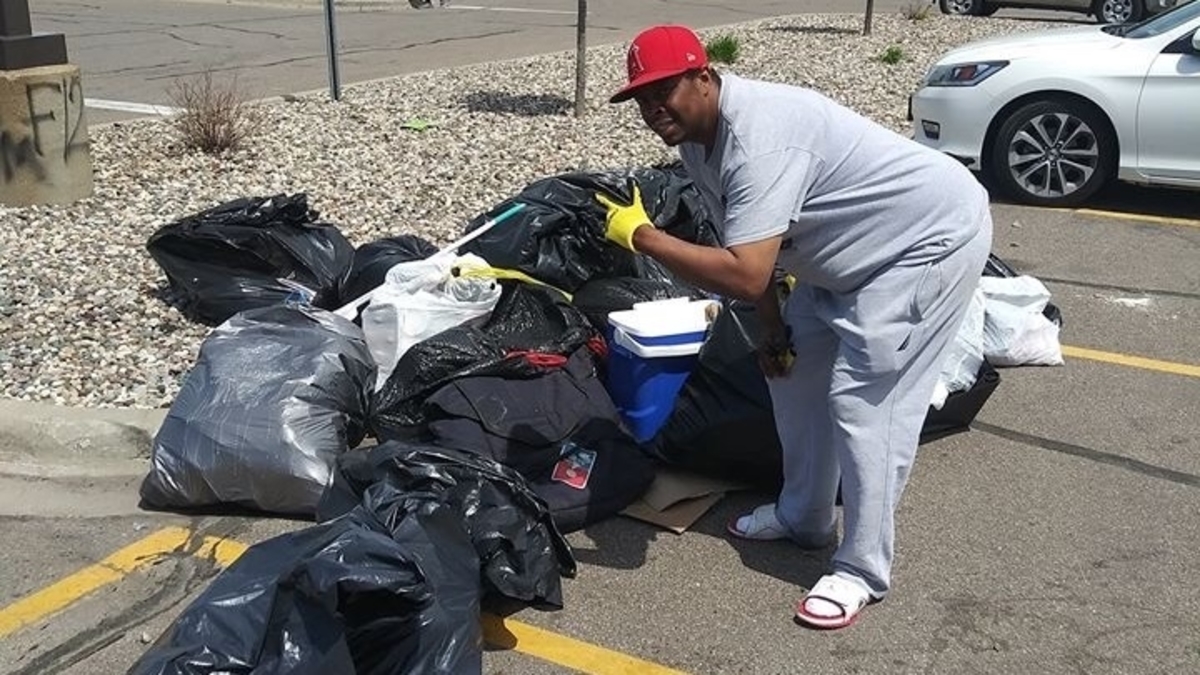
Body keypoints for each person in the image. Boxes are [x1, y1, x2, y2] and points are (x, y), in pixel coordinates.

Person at [597, 24, 993, 629]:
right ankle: (805, 517)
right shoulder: (699, 141)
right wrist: (773, 333)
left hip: (924, 242)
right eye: (642, 101)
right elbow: (758, 254)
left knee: (866, 403)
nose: (653, 110)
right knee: (792, 374)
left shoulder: (761, 141)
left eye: (664, 92)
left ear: (704, 76)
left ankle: (861, 569)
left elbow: (746, 273)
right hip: (841, 256)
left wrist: (645, 236)